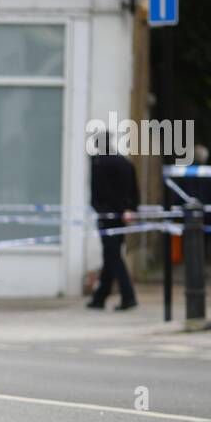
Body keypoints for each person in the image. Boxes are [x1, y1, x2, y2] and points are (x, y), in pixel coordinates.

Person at [88, 132, 140, 311]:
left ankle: (128, 296)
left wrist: (101, 209)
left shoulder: (99, 163)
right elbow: (134, 190)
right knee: (111, 254)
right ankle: (100, 297)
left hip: (108, 216)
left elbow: (99, 192)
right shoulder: (125, 163)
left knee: (113, 256)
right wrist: (130, 209)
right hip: (123, 216)